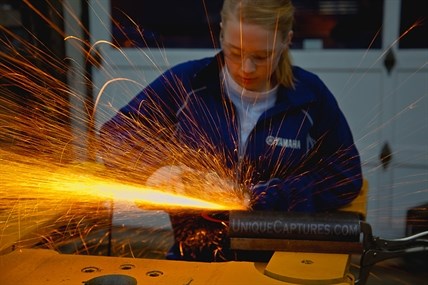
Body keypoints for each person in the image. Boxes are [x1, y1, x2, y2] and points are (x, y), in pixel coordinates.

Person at [99, 0, 363, 261]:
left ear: (286, 41)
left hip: (278, 264)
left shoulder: (310, 96)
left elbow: (345, 176)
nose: (246, 68)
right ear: (222, 32)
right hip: (195, 259)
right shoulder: (188, 83)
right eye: (235, 53)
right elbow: (114, 136)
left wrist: (260, 197)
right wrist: (154, 170)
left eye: (262, 56)